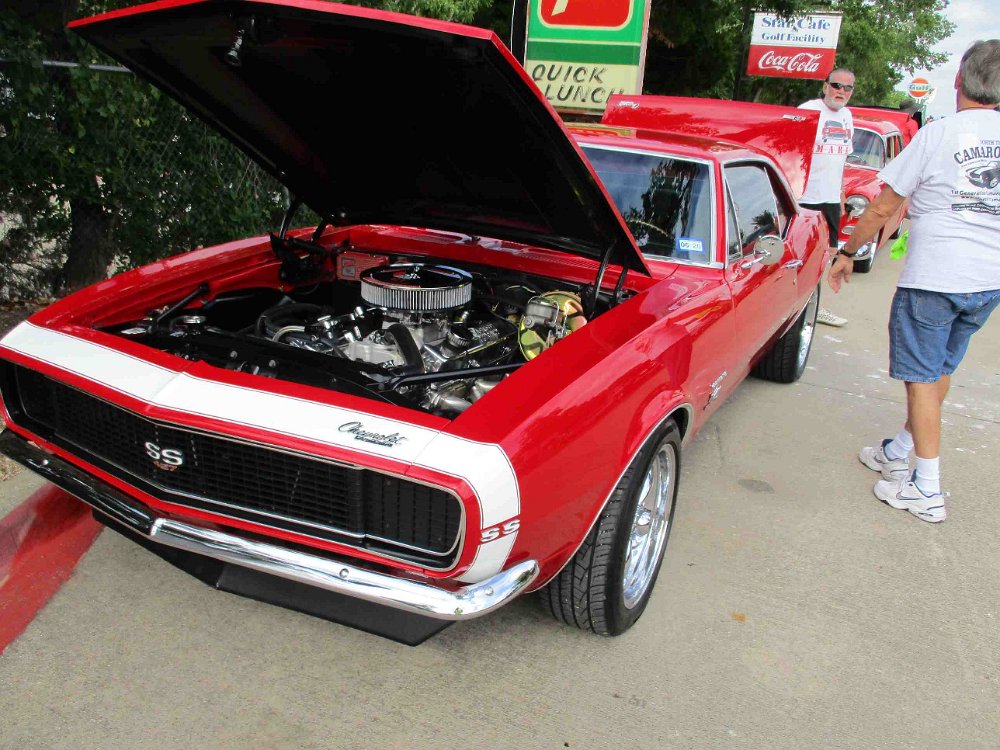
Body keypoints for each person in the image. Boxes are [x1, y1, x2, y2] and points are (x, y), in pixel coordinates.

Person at [829, 40, 1000, 523]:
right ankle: (898, 450)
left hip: (936, 277)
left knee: (922, 379)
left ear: (958, 80)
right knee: (940, 368)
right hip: (987, 280)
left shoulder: (939, 133)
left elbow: (884, 205)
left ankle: (926, 489)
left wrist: (847, 253)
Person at [799, 68, 856, 327]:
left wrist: (841, 193)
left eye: (847, 88)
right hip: (804, 196)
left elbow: (841, 160)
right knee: (800, 254)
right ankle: (795, 305)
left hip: (830, 198)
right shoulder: (808, 110)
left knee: (828, 253)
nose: (841, 91)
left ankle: (814, 304)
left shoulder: (847, 117)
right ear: (825, 86)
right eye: (836, 85)